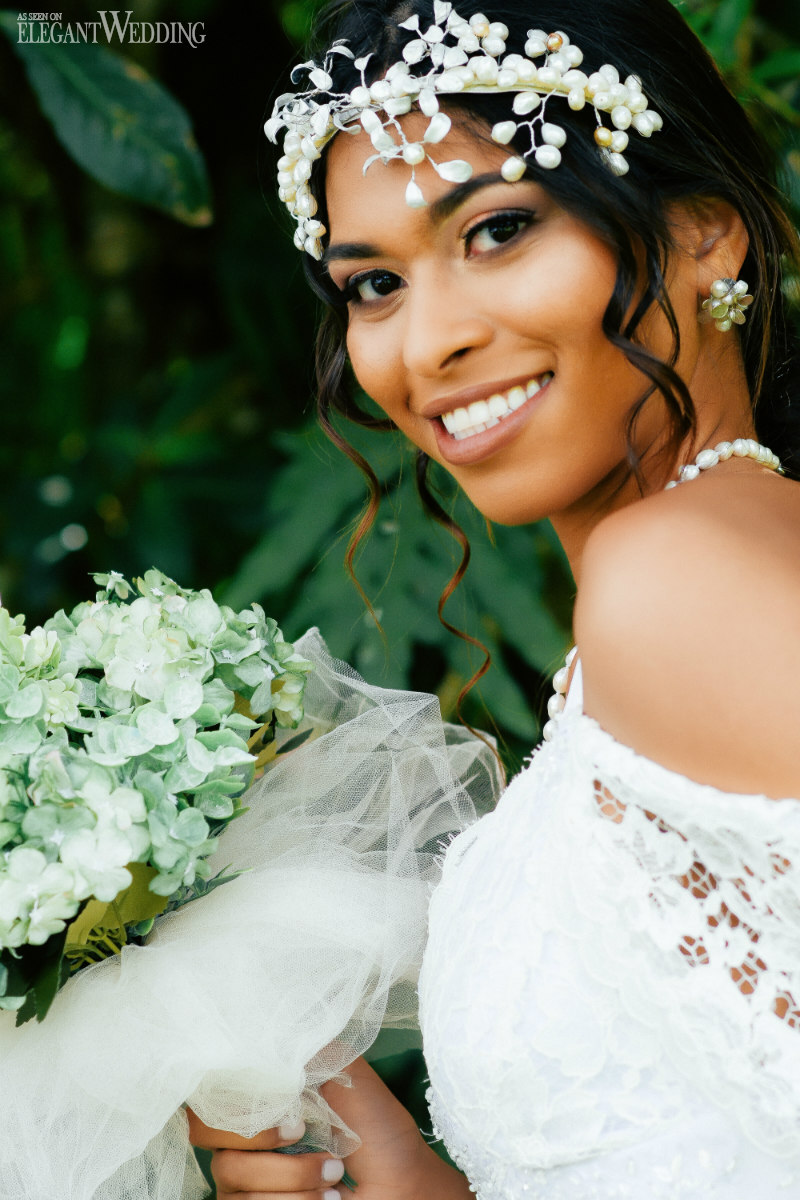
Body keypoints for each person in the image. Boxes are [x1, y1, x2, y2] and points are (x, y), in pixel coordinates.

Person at [189, 0, 800, 1195]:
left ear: (702, 232)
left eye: (497, 230)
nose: (427, 343)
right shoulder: (715, 559)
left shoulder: (672, 581)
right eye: (370, 285)